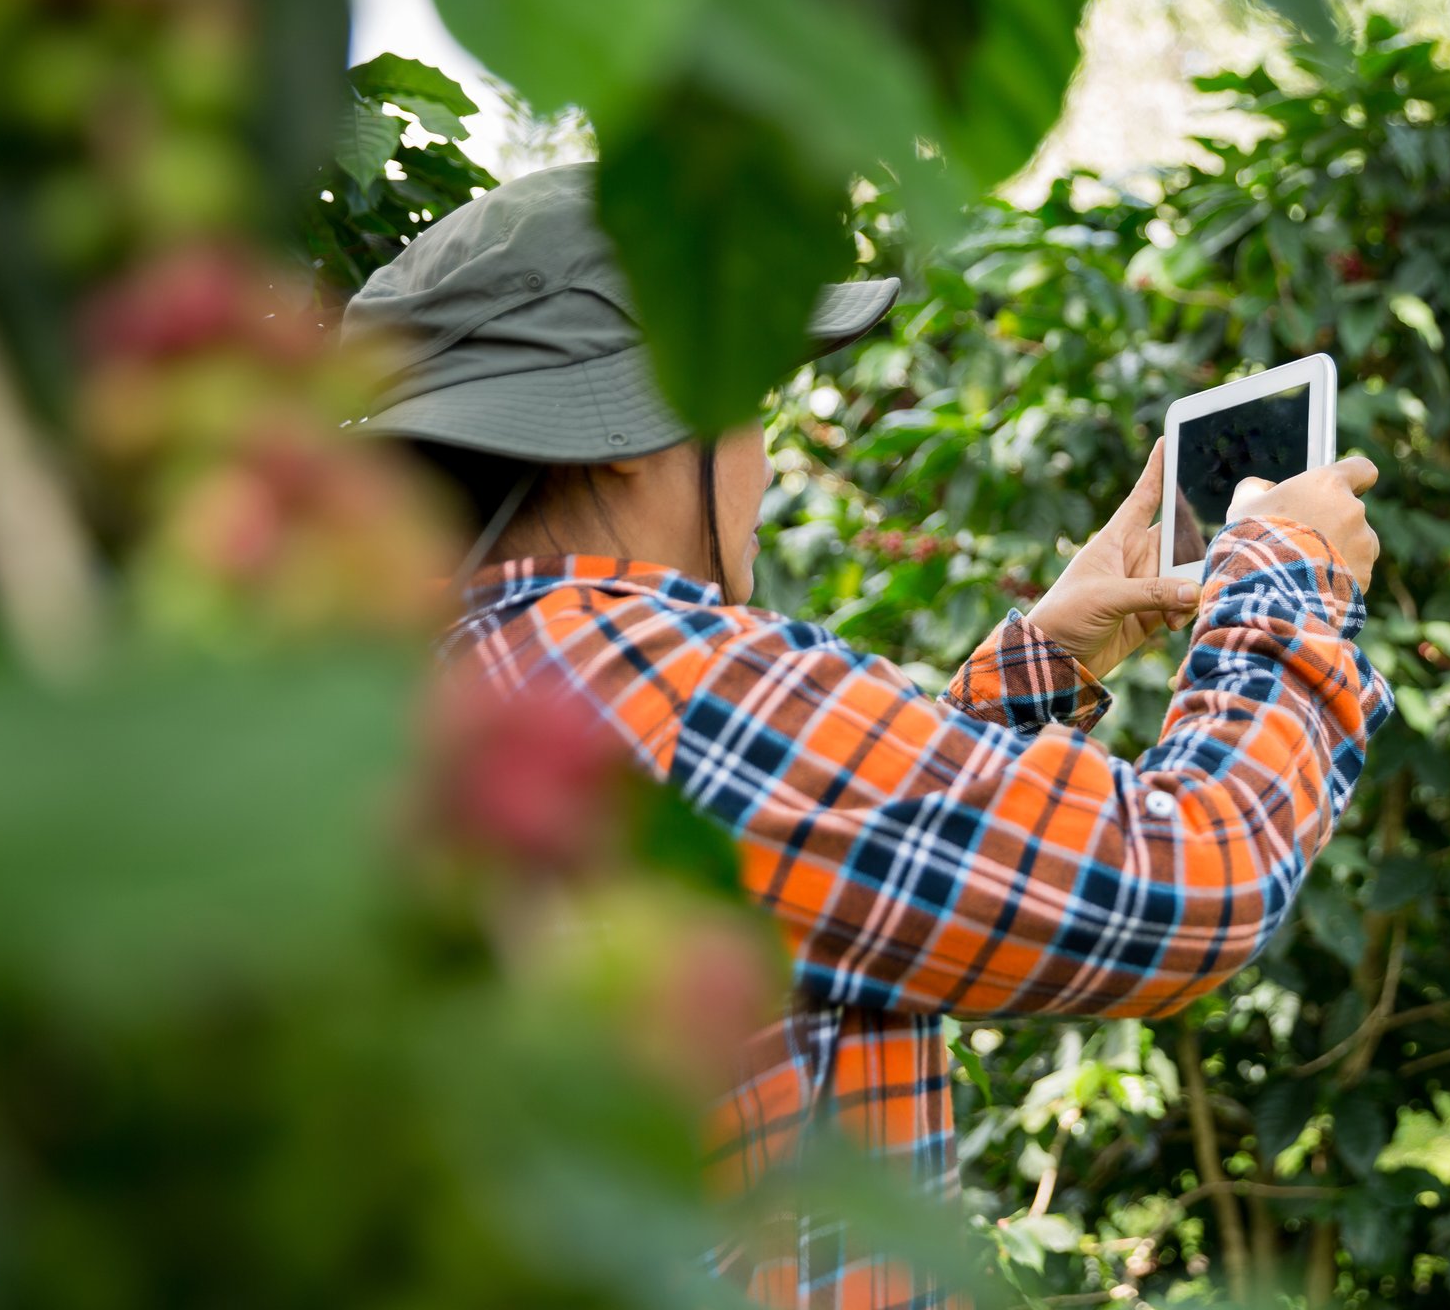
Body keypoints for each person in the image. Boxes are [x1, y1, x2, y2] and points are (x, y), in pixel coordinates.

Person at [341, 163, 1390, 1308]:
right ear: (631, 431)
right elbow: (1188, 883)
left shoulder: (465, 680)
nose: (764, 458)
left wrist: (1046, 661)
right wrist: (1287, 588)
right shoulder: (656, 676)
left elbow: (819, 869)